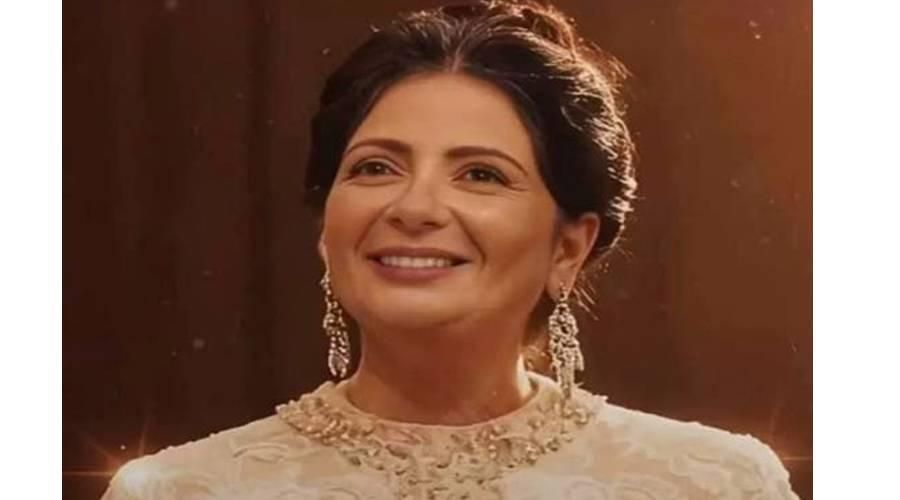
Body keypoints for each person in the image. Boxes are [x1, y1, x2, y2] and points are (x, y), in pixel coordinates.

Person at [102, 1, 800, 498]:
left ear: (569, 246)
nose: (414, 208)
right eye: (376, 167)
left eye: (481, 175)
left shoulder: (715, 484)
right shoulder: (179, 491)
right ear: (326, 227)